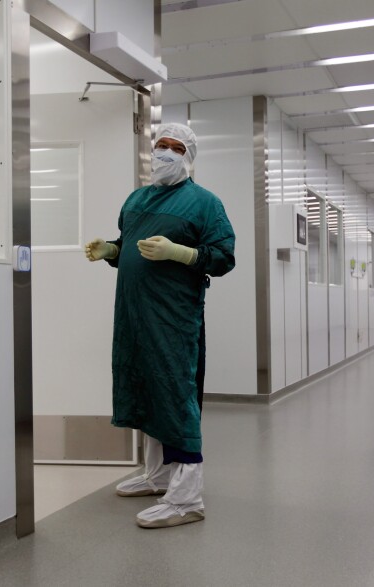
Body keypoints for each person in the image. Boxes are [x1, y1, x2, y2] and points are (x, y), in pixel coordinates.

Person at [84, 123, 235, 529]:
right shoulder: (136, 200)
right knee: (146, 390)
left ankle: (187, 498)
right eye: (160, 145)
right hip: (133, 315)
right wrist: (111, 250)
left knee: (173, 392)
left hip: (173, 318)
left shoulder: (205, 203)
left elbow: (223, 256)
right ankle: (159, 475)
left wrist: (183, 254)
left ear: (189, 156)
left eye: (175, 147)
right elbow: (131, 247)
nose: (165, 153)